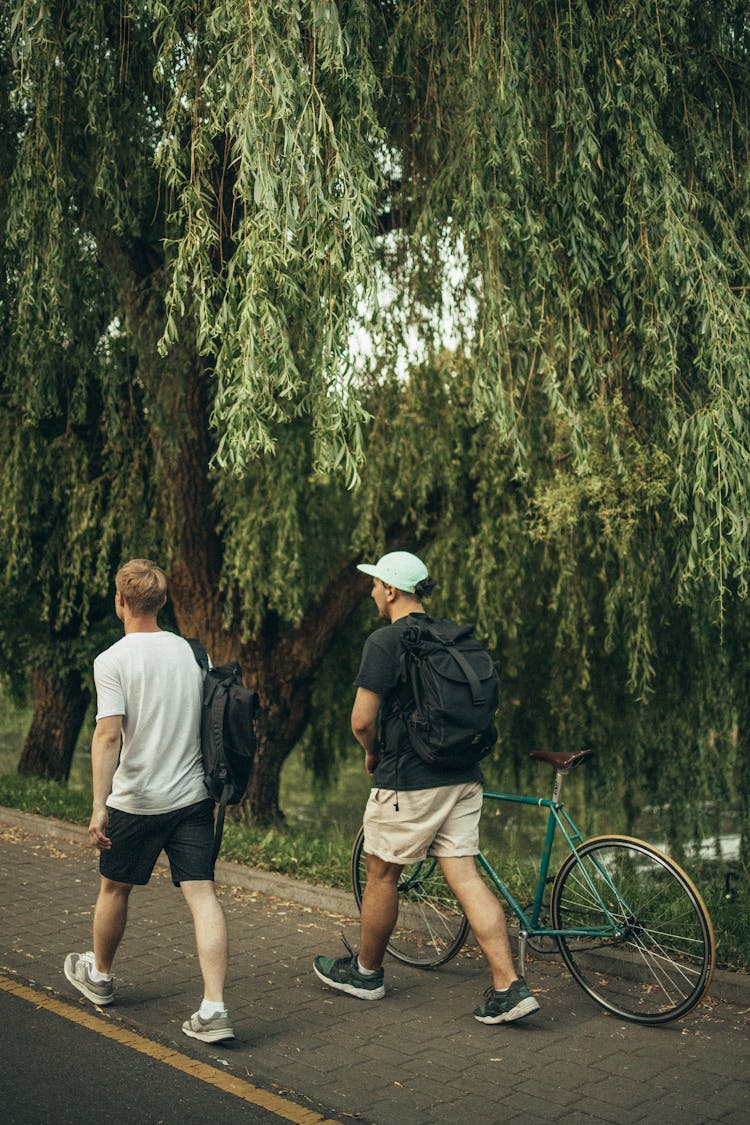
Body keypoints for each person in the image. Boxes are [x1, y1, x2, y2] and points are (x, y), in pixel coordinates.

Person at [313, 551, 539, 1024]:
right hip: (463, 774)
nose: (373, 591)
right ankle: (509, 986)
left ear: (392, 590)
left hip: (411, 780)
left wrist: (373, 753)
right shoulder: (451, 634)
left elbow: (361, 721)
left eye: (376, 584)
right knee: (465, 876)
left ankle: (367, 972)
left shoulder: (386, 641)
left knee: (381, 873)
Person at [64, 559, 234, 1044]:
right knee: (202, 896)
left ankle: (99, 976)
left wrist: (100, 805)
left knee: (115, 889)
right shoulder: (189, 652)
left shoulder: (112, 659)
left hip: (135, 802)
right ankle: (215, 1008)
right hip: (191, 798)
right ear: (162, 603)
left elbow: (108, 735)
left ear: (120, 601)